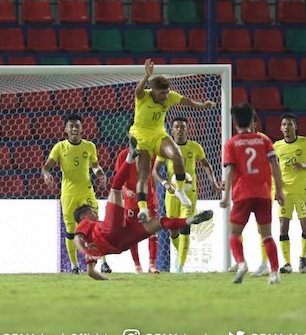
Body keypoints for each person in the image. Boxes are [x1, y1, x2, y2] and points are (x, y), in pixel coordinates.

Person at [73, 140, 214, 280]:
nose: (95, 213)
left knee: (159, 222)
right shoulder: (85, 224)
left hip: (123, 241)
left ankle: (189, 220)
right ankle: (130, 157)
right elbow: (76, 238)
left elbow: (91, 272)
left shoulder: (90, 247)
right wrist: (85, 250)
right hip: (110, 232)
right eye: (91, 211)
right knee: (115, 189)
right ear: (84, 215)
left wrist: (109, 280)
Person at [131, 59, 216, 223]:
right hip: (140, 136)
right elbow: (137, 90)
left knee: (177, 155)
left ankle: (181, 190)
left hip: (158, 134)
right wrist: (146, 76)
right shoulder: (143, 97)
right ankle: (142, 209)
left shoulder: (170, 97)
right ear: (153, 91)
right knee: (143, 173)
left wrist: (203, 105)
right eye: (162, 93)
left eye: (167, 92)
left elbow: (189, 102)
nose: (166, 96)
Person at [221, 103, 285, 285]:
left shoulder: (232, 143)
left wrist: (226, 196)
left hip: (242, 194)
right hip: (264, 193)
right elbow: (275, 166)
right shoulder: (264, 140)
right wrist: (279, 190)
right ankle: (274, 273)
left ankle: (241, 263)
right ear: (252, 120)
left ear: (235, 122)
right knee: (267, 235)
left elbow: (230, 171)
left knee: (233, 234)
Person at [41, 114, 110, 274]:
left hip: (86, 191)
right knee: (71, 231)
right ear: (65, 129)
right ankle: (74, 266)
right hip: (69, 194)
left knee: (95, 226)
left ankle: (104, 262)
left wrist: (100, 174)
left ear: (82, 128)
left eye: (77, 125)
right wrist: (46, 174)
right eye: (71, 126)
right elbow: (46, 166)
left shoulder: (89, 146)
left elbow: (95, 166)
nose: (74, 128)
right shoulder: (60, 147)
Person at [153, 117, 222, 273]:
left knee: (185, 226)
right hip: (172, 194)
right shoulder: (165, 148)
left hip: (189, 194)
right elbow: (155, 171)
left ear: (187, 129)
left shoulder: (195, 147)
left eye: (182, 127)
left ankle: (180, 267)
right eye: (176, 127)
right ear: (172, 129)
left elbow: (206, 164)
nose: (179, 130)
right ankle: (180, 254)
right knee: (173, 230)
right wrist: (165, 183)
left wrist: (214, 182)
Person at [270, 113, 306, 275]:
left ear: (295, 126)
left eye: (289, 124)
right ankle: (287, 263)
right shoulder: (277, 146)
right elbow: (273, 169)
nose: (286, 127)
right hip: (285, 191)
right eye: (283, 125)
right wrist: (275, 189)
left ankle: (302, 256)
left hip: (302, 191)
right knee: (282, 227)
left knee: (305, 227)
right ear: (280, 128)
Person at [114, 145, 159, 274]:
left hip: (149, 199)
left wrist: (154, 195)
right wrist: (125, 190)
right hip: (131, 200)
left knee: (153, 231)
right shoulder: (123, 155)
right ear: (129, 135)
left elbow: (152, 175)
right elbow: (119, 178)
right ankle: (137, 266)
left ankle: (152, 265)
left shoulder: (150, 153)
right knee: (132, 235)